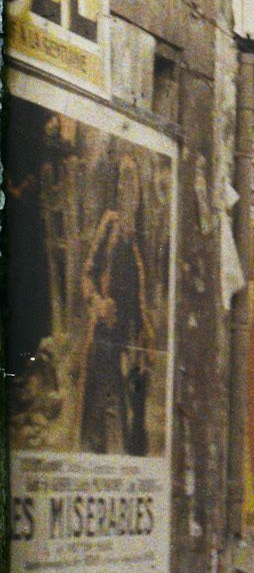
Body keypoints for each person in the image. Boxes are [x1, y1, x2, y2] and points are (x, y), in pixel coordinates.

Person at [79, 155, 152, 455]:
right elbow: (87, 273)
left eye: (132, 180)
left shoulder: (141, 240)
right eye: (123, 179)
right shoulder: (109, 224)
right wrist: (97, 302)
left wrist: (144, 340)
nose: (126, 187)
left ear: (139, 193)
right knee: (96, 424)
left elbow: (142, 303)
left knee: (126, 426)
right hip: (103, 339)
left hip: (127, 346)